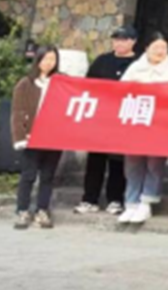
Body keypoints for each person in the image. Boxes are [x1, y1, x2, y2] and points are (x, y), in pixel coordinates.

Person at [119, 34, 168, 226]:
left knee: (154, 162)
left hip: (160, 124)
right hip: (136, 121)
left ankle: (147, 201)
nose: (160, 51)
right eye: (156, 47)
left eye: (164, 47)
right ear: (146, 48)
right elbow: (120, 90)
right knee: (132, 162)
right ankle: (131, 202)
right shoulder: (135, 68)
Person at [74, 26, 139, 216]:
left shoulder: (138, 63)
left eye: (124, 39)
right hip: (101, 118)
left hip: (124, 118)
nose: (119, 43)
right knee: (95, 159)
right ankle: (89, 199)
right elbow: (88, 86)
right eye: (116, 39)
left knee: (118, 162)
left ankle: (115, 199)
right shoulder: (102, 61)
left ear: (133, 41)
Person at [11, 47, 62, 230]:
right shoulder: (26, 84)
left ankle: (42, 209)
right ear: (38, 60)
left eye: (52, 59)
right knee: (28, 175)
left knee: (48, 176)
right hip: (32, 137)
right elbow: (17, 112)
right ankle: (22, 210)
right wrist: (20, 136)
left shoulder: (61, 82)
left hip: (53, 137)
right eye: (45, 59)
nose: (49, 63)